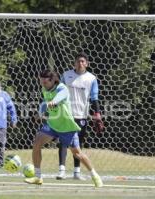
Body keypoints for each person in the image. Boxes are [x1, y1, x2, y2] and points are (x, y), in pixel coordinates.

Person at [24, 69, 103, 187]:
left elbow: (60, 96)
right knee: (37, 143)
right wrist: (40, 112)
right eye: (41, 82)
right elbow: (44, 103)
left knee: (77, 154)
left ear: (52, 80)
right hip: (52, 124)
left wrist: (54, 101)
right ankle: (38, 177)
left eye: (45, 82)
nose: (42, 85)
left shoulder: (62, 88)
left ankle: (95, 175)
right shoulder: (44, 89)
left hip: (66, 127)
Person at [56, 52, 104, 180]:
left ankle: (76, 172)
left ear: (87, 64)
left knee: (78, 145)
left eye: (83, 61)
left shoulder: (92, 79)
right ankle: (61, 170)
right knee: (63, 142)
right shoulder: (66, 76)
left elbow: (94, 98)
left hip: (81, 115)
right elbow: (59, 92)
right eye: (78, 61)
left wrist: (97, 114)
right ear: (74, 63)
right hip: (65, 114)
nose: (80, 63)